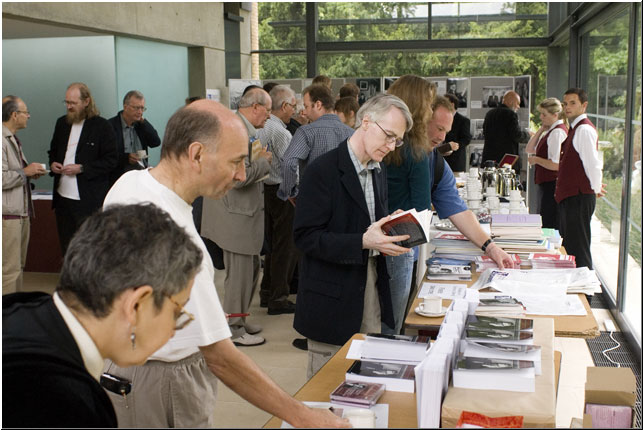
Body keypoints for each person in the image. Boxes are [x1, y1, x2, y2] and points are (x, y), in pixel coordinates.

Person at [102, 99, 347, 428]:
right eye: (235, 162)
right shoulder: (173, 239)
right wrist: (304, 416)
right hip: (161, 379)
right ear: (197, 154)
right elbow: (221, 357)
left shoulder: (132, 182)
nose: (242, 174)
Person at [3, 203, 203, 427]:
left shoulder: (19, 311)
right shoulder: (64, 405)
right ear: (136, 305)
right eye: (177, 312)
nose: (173, 331)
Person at [293, 94, 413, 378]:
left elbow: (365, 222)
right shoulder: (322, 171)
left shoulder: (377, 169)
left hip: (369, 285)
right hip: (331, 296)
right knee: (326, 385)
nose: (391, 146)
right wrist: (362, 241)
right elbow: (306, 238)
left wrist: (391, 225)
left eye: (397, 141)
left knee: (364, 379)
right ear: (366, 122)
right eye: (389, 136)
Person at [201, 87, 272, 346]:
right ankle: (233, 329)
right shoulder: (236, 132)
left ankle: (239, 320)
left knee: (250, 270)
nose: (269, 116)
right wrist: (264, 161)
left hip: (241, 213)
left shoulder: (242, 129)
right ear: (255, 107)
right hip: (234, 215)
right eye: (268, 110)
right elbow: (239, 178)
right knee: (239, 275)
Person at [381, 74, 435, 335]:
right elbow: (422, 206)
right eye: (430, 105)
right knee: (395, 319)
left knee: (377, 312)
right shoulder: (416, 150)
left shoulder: (383, 143)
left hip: (374, 233)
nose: (431, 111)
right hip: (402, 240)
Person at [48, 82, 118, 255]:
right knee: (66, 247)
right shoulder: (62, 123)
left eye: (73, 103)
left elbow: (111, 160)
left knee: (89, 248)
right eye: (67, 102)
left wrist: (82, 168)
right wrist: (53, 164)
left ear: (86, 102)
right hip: (63, 199)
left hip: (88, 200)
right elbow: (53, 151)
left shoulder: (102, 126)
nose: (69, 107)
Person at [256, 85, 298, 315]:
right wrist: (295, 193)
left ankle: (267, 292)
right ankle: (279, 298)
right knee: (285, 247)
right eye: (293, 106)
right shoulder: (281, 132)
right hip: (283, 193)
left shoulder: (262, 127)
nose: (295, 111)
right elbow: (291, 166)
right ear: (284, 106)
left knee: (272, 246)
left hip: (265, 190)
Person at [278, 84, 354, 204]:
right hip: (344, 201)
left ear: (318, 105)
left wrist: (289, 192)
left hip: (312, 199)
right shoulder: (352, 133)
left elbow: (288, 162)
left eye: (306, 106)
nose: (304, 112)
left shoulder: (305, 132)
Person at [555, 88, 604, 269]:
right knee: (572, 246)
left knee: (579, 249)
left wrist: (596, 188)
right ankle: (578, 282)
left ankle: (586, 285)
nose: (567, 107)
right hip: (574, 196)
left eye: (572, 103)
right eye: (565, 104)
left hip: (579, 197)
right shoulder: (576, 128)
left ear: (584, 106)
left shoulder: (583, 129)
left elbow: (592, 163)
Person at [2, 95, 46, 295]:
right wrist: (25, 172)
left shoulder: (12, 139)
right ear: (14, 115)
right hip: (7, 216)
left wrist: (27, 173)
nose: (28, 116)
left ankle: (14, 309)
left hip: (19, 214)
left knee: (17, 268)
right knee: (8, 272)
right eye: (25, 112)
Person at [526, 97, 568, 229]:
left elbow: (556, 165)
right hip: (546, 184)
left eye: (544, 114)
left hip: (552, 185)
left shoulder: (557, 133)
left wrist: (536, 160)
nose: (541, 117)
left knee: (549, 222)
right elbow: (529, 149)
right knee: (544, 220)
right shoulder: (551, 131)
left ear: (555, 115)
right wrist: (541, 130)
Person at [108, 90, 161, 184]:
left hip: (141, 174)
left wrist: (144, 122)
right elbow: (107, 155)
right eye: (136, 108)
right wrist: (126, 158)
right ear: (125, 107)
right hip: (119, 177)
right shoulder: (110, 126)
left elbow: (155, 142)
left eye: (142, 108)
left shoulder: (141, 125)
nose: (140, 112)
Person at [482, 90, 531, 174]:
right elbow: (516, 135)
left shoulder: (490, 113)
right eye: (517, 103)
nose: (518, 107)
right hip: (506, 160)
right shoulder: (511, 114)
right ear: (510, 101)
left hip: (489, 159)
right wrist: (528, 135)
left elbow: (485, 132)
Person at [442, 93, 473, 173]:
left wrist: (453, 146)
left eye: (444, 103)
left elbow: (466, 139)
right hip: (442, 158)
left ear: (452, 105)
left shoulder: (463, 120)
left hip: (456, 160)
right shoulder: (441, 119)